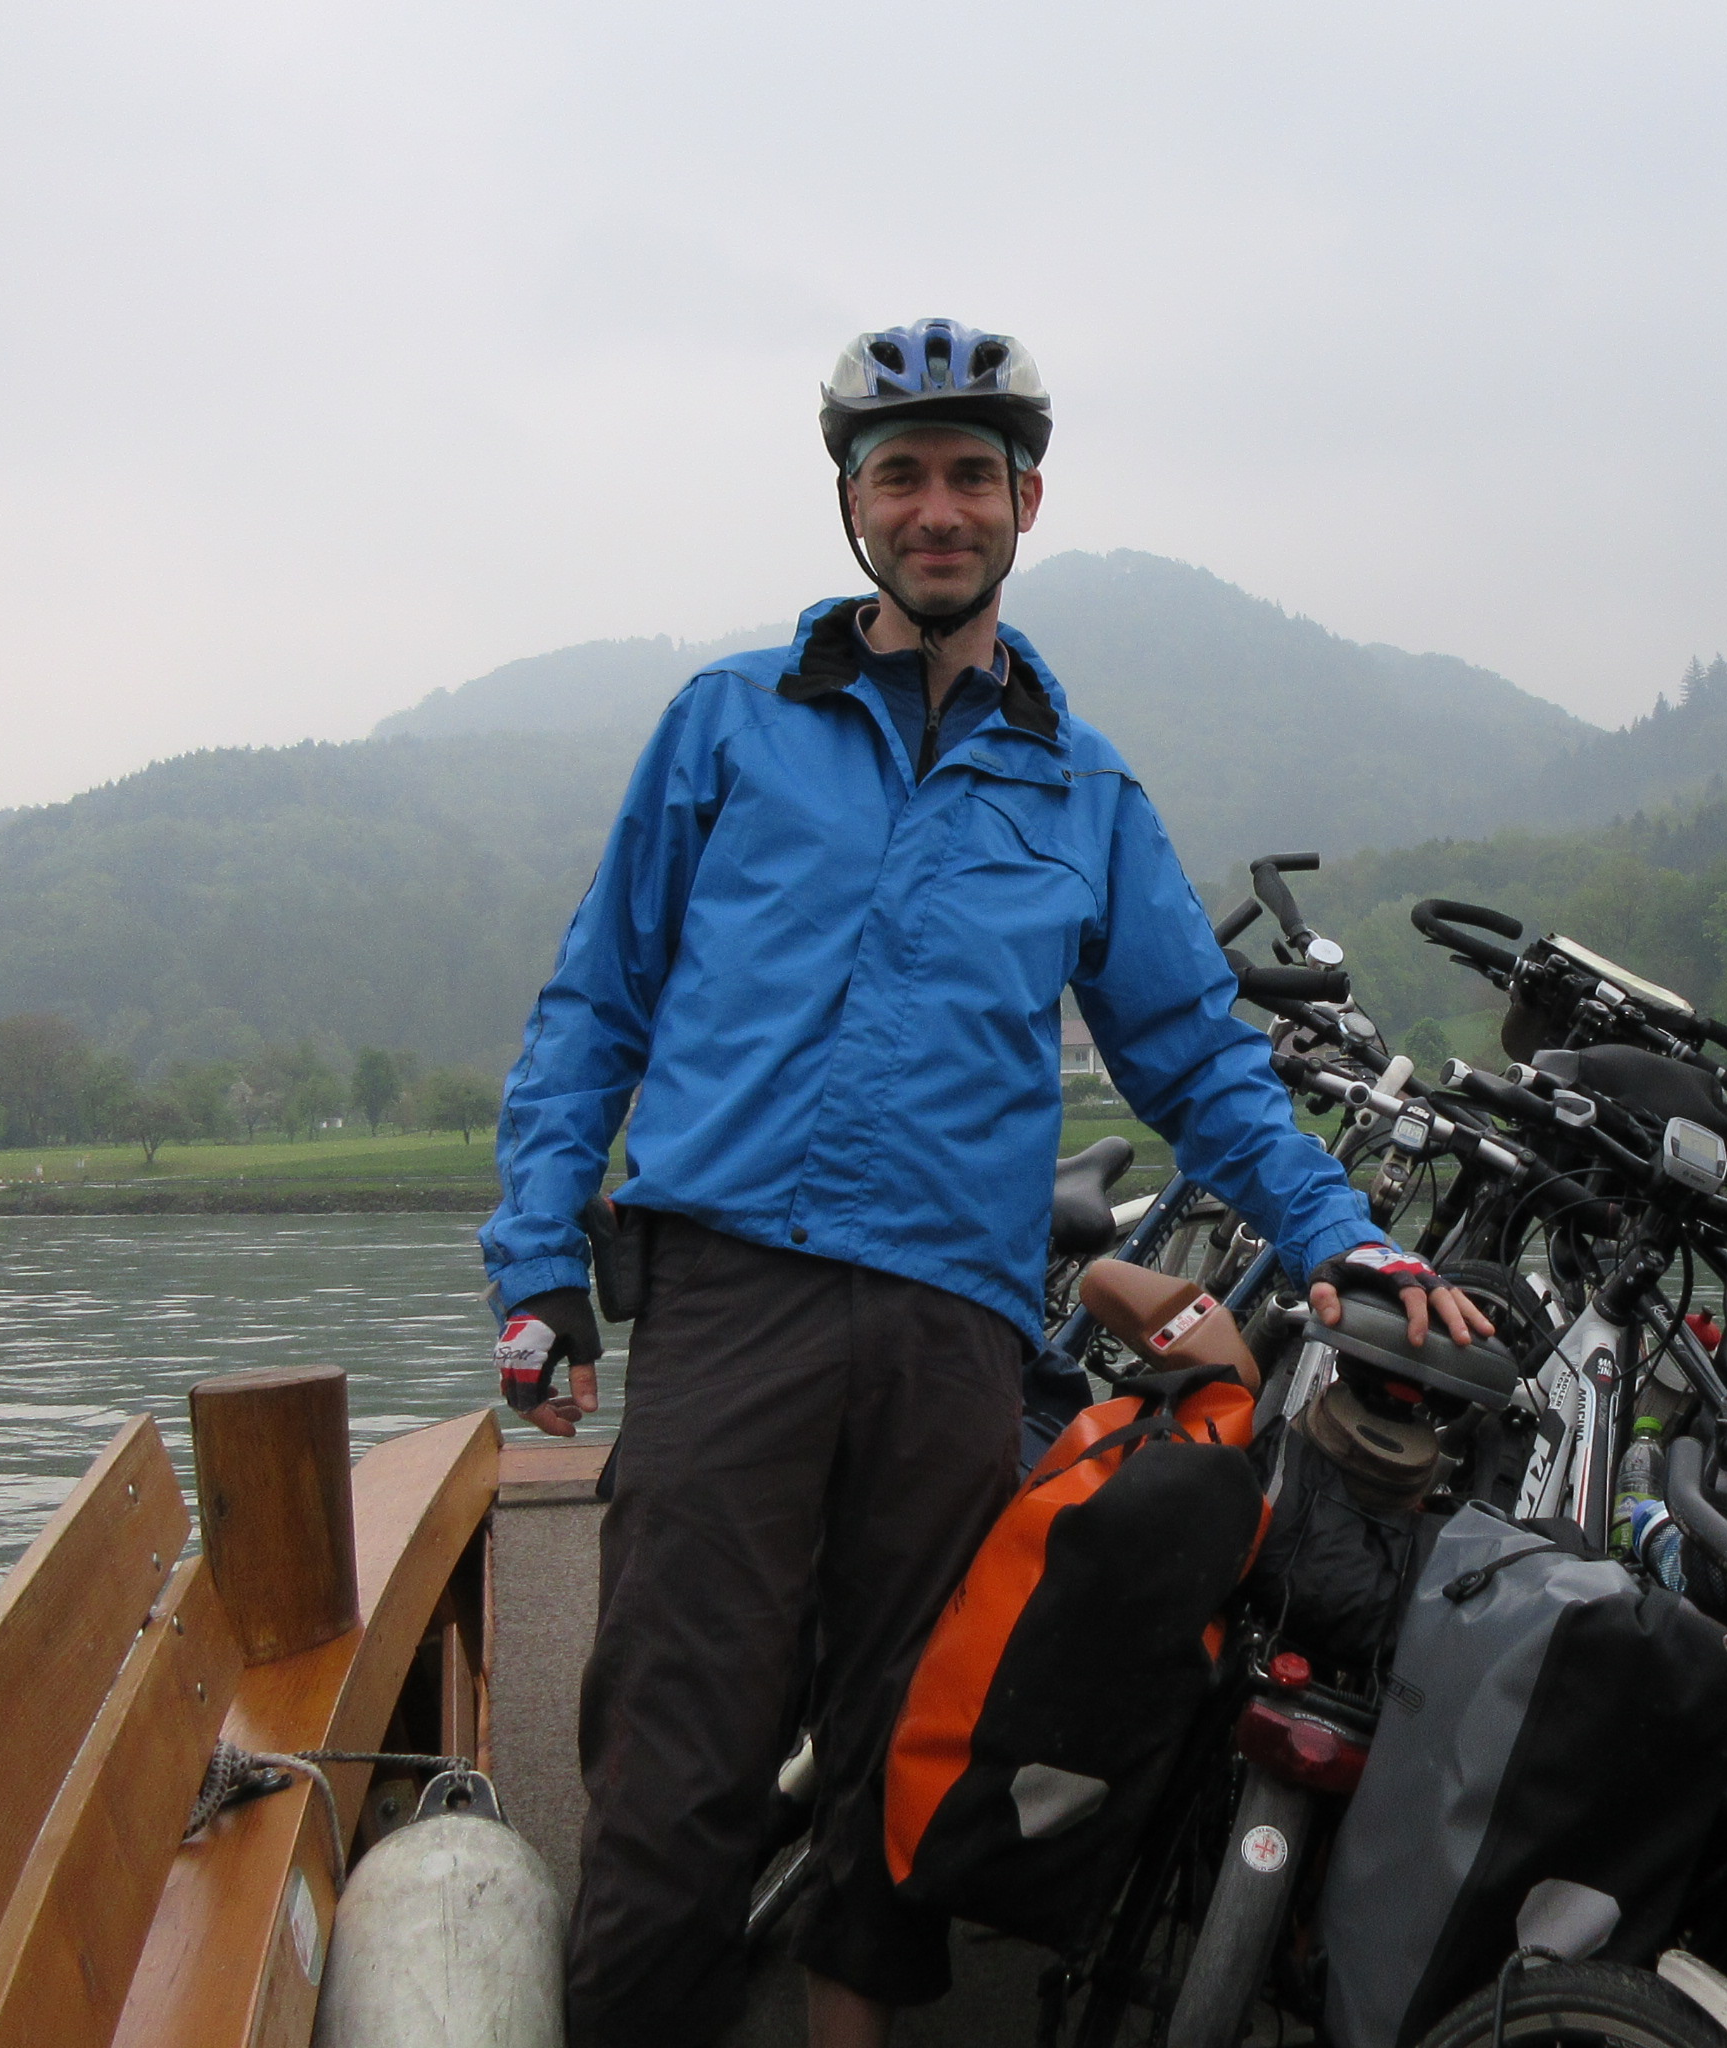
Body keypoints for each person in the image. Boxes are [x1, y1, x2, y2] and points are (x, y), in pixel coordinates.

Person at [477, 317, 1485, 2048]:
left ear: (1026, 502)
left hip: (952, 1323)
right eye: (900, 477)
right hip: (732, 1293)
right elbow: (597, 1005)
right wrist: (535, 1264)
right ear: (853, 506)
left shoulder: (1084, 790)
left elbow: (1195, 1058)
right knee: (677, 1744)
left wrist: (1343, 1239)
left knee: (909, 1744)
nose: (936, 510)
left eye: (969, 476)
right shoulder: (729, 724)